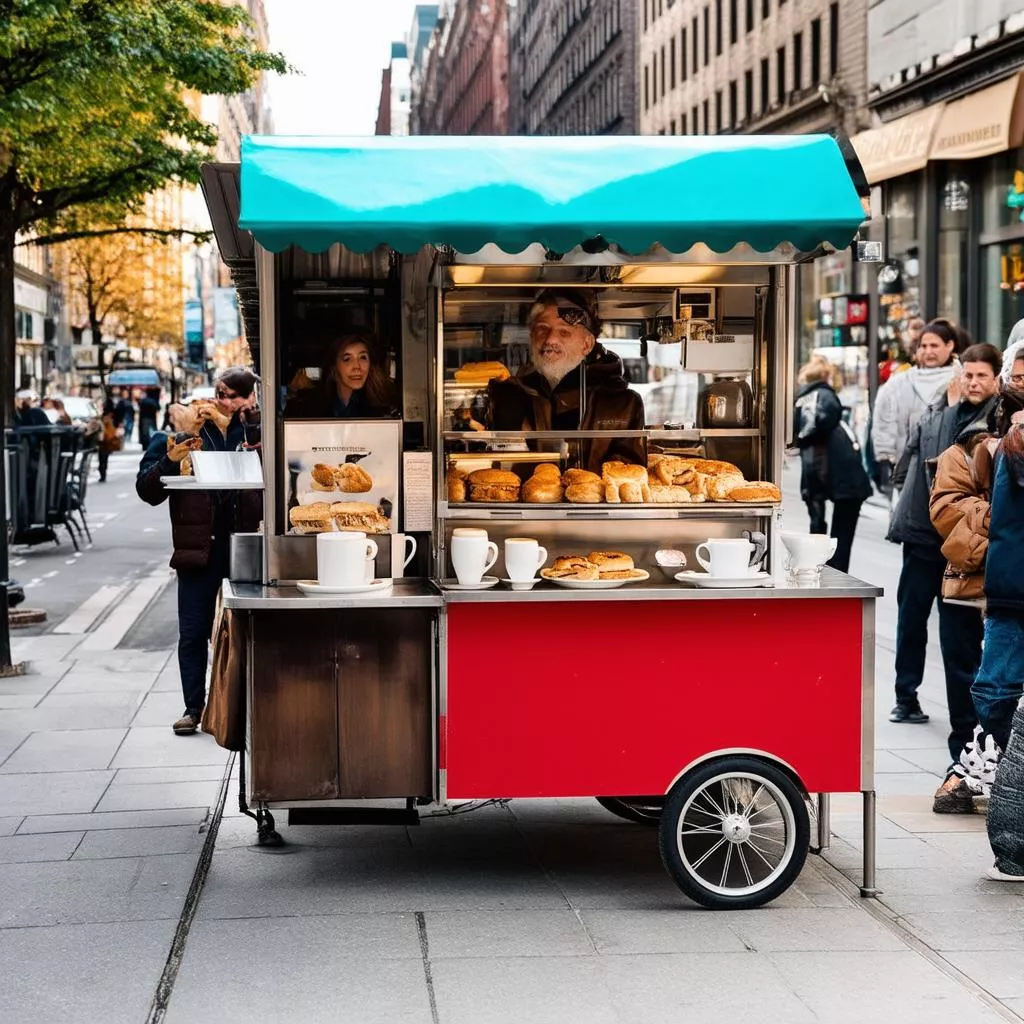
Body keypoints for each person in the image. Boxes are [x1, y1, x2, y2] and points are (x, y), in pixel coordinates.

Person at [887, 340, 1001, 758]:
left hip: (969, 553)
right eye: (967, 374)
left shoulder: (1000, 420)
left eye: (981, 375)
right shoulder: (944, 413)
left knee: (967, 646)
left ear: (996, 378)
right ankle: (913, 700)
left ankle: (977, 744)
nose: (973, 382)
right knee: (916, 620)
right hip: (926, 537)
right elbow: (917, 464)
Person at [136, 367, 262, 736]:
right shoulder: (186, 429)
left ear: (251, 398)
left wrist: (255, 432)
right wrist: (172, 458)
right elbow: (148, 490)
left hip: (245, 546)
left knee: (243, 631)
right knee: (192, 632)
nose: (227, 402)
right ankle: (195, 707)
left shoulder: (256, 431)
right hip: (197, 550)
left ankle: (244, 703)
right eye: (222, 393)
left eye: (237, 396)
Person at [929, 350, 1024, 813]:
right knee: (978, 682)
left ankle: (989, 771)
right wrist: (997, 521)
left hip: (1007, 584)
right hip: (980, 583)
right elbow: (946, 509)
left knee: (995, 682)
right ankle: (968, 766)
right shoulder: (973, 446)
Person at [488, 289, 646, 473]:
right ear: (531, 337)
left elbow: (629, 477)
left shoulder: (623, 404)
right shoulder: (509, 395)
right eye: (542, 328)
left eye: (564, 332)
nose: (550, 339)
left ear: (587, 344)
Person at [792, 356, 872, 573]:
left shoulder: (801, 399)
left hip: (818, 472)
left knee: (818, 530)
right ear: (827, 376)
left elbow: (804, 434)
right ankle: (835, 573)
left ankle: (820, 570)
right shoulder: (826, 396)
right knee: (841, 537)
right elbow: (826, 419)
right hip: (845, 478)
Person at [871, 318, 963, 497]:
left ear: (950, 345)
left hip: (951, 470)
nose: (928, 351)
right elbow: (883, 419)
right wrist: (887, 457)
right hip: (908, 469)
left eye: (934, 346)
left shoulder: (963, 379)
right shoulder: (899, 382)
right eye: (924, 346)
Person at [287, 335, 398, 418]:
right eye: (347, 359)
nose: (357, 367)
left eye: (363, 357)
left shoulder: (383, 409)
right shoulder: (309, 407)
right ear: (334, 368)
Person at [96, 398, 122, 483]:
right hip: (108, 440)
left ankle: (102, 474)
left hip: (104, 440)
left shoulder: (105, 417)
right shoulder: (114, 414)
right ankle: (103, 473)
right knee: (104, 458)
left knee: (102, 458)